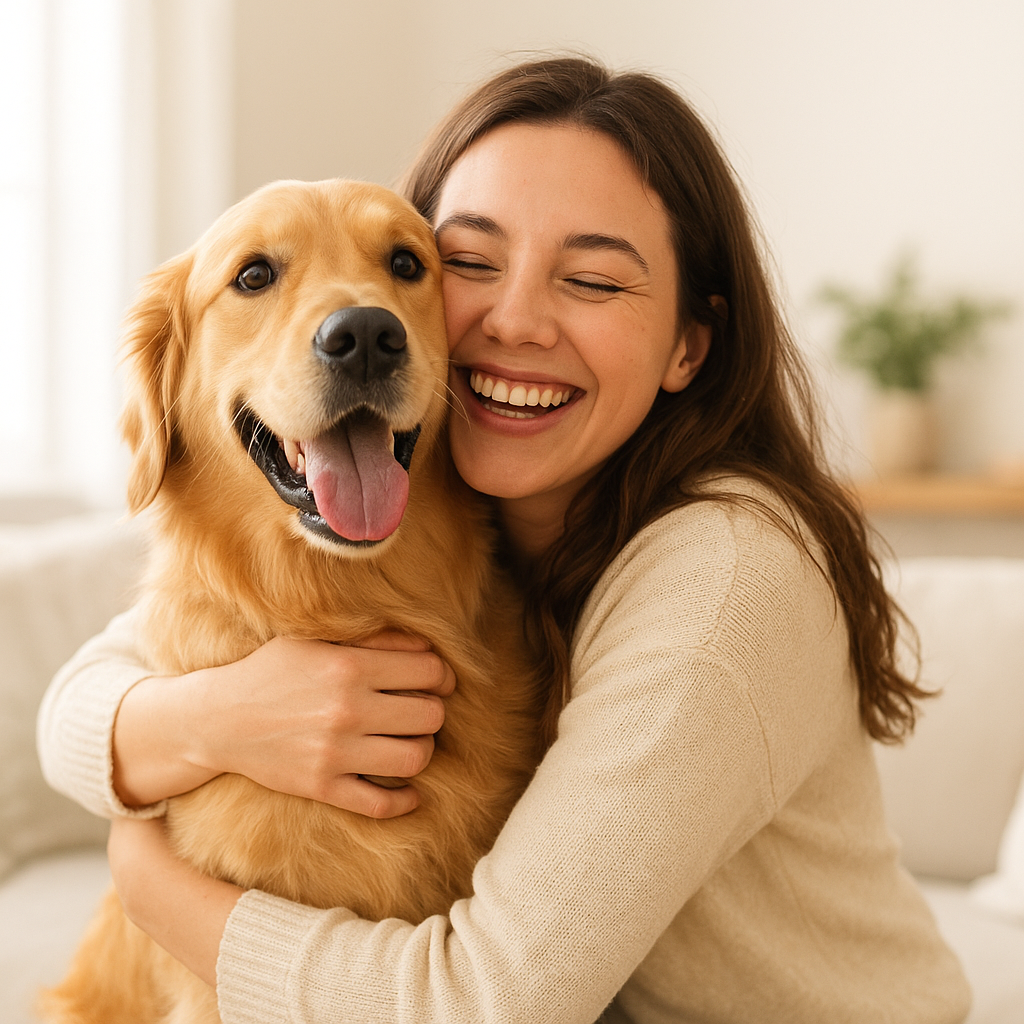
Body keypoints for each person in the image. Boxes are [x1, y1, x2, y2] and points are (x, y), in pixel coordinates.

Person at [38, 56, 971, 1023]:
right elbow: (79, 704)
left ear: (690, 344)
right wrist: (204, 720)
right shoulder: (479, 527)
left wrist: (153, 886)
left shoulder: (723, 580)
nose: (514, 322)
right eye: (468, 263)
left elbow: (487, 1001)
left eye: (595, 278)